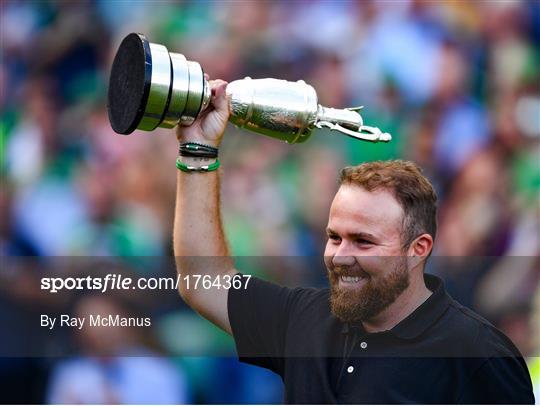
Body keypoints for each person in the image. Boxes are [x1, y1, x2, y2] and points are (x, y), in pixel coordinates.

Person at [173, 79, 535, 404]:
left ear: (418, 249)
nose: (341, 256)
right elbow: (204, 282)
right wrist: (198, 148)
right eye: (335, 237)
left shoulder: (477, 355)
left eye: (363, 241)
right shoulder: (304, 319)